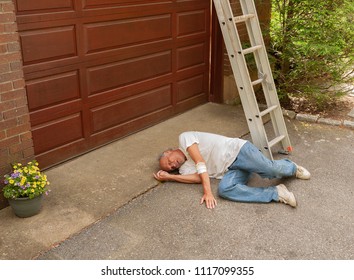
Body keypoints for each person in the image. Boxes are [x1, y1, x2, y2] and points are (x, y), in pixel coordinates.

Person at [153, 131, 310, 209]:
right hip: (230, 170)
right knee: (225, 190)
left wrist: (207, 192)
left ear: (168, 152)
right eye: (171, 168)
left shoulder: (185, 138)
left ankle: (292, 167)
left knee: (269, 170)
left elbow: (200, 162)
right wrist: (170, 177)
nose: (173, 165)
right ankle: (277, 193)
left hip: (239, 151)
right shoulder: (183, 170)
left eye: (169, 161)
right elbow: (197, 177)